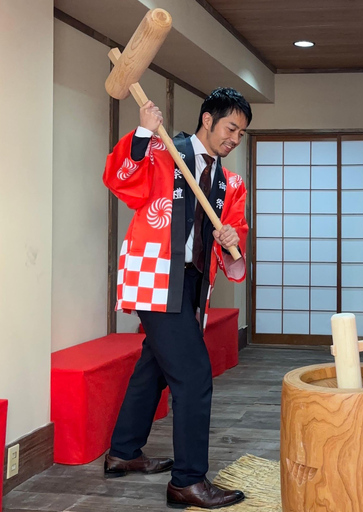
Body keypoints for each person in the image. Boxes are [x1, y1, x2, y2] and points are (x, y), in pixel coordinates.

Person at [101, 87, 251, 509]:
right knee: (194, 374)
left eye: (241, 133)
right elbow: (120, 181)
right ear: (208, 119)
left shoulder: (228, 181)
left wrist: (230, 236)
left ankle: (123, 452)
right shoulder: (165, 152)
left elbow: (234, 232)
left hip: (190, 283)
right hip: (154, 274)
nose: (234, 139)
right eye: (230, 128)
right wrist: (143, 134)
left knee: (156, 366)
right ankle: (187, 480)